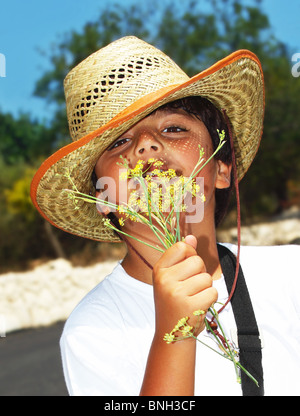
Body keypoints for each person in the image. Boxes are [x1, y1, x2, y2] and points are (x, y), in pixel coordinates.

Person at [30, 36, 300, 396]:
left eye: (174, 128)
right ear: (103, 199)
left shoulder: (290, 275)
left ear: (222, 169)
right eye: (118, 143)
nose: (146, 145)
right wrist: (175, 334)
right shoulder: (95, 328)